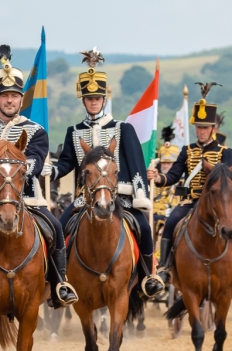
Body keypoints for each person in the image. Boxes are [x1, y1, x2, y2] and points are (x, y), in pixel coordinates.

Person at [46, 49, 165, 299]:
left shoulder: (123, 129)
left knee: (143, 227)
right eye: (89, 98)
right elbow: (67, 163)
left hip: (120, 197)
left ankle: (148, 276)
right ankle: (59, 281)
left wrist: (141, 198)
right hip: (85, 199)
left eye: (97, 98)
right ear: (83, 101)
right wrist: (52, 170)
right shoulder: (74, 131)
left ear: (104, 99)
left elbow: (136, 165)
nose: (93, 102)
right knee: (57, 228)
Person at [0, 45, 76, 308]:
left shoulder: (35, 130)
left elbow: (36, 161)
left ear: (21, 99)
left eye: (15, 95)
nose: (10, 100)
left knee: (56, 228)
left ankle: (61, 282)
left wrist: (21, 169)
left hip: (26, 198)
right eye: (5, 96)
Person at [148, 82, 232, 288]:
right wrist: (158, 177)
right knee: (171, 222)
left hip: (221, 203)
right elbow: (172, 176)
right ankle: (163, 268)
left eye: (205, 128)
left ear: (214, 128)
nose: (201, 132)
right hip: (192, 201)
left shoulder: (226, 152)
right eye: (198, 128)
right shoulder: (187, 151)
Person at [152, 125, 182, 236]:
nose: (165, 166)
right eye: (164, 163)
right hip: (153, 216)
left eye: (169, 163)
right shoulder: (154, 180)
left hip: (171, 217)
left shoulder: (182, 182)